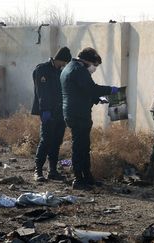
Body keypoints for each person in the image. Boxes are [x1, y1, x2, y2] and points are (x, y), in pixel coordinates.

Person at [60, 47, 119, 190]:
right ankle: (78, 180)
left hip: (74, 112)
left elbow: (83, 91)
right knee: (80, 148)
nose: (94, 69)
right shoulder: (79, 70)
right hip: (78, 114)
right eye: (95, 65)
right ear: (87, 61)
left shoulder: (70, 67)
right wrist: (111, 90)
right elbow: (92, 88)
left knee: (84, 146)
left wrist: (98, 99)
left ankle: (87, 177)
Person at [31, 47, 72, 182]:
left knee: (56, 142)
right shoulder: (42, 70)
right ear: (59, 59)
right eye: (64, 63)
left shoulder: (60, 72)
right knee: (46, 141)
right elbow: (41, 93)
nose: (64, 66)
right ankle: (38, 171)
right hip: (48, 112)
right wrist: (45, 110)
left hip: (60, 112)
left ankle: (52, 171)